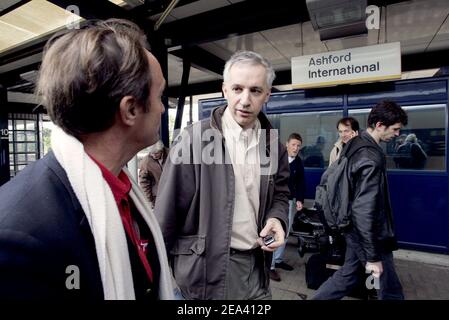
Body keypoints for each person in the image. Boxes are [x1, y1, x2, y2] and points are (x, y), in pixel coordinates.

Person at [0, 19, 174, 300]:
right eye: (159, 95)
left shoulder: (120, 189)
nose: (163, 108)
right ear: (130, 109)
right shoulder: (19, 238)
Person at [155, 51, 290, 300]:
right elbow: (167, 210)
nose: (245, 100)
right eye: (237, 89)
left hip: (258, 267)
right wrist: (154, 277)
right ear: (225, 90)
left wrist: (277, 218)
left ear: (268, 95)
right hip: (208, 272)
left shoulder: (273, 145)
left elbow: (281, 194)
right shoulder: (194, 139)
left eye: (255, 90)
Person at [313, 100, 407, 300]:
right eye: (395, 129)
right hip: (369, 234)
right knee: (390, 290)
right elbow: (363, 209)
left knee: (348, 276)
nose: (398, 134)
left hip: (353, 230)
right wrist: (372, 256)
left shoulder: (355, 143)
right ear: (380, 125)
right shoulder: (370, 157)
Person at [270, 133, 306, 281]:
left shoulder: (298, 162)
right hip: (275, 201)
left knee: (285, 232)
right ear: (287, 144)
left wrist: (300, 199)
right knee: (274, 233)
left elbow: (300, 183)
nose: (296, 148)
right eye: (293, 144)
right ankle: (269, 266)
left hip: (289, 201)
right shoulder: (278, 159)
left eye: (298, 145)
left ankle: (278, 260)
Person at [139, 139, 169, 208]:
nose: (154, 156)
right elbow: (144, 183)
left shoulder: (171, 155)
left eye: (156, 153)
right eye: (151, 153)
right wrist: (149, 200)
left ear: (162, 150)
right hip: (157, 195)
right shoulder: (146, 162)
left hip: (171, 191)